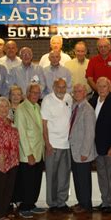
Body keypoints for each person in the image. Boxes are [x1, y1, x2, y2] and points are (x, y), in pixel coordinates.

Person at [89, 77, 111, 213]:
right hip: (97, 145)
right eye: (99, 86)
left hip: (110, 146)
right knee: (102, 175)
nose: (101, 89)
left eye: (104, 86)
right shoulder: (93, 101)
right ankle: (105, 201)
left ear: (109, 87)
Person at [14, 84, 46, 219]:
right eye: (33, 93)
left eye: (38, 93)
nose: (36, 95)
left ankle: (31, 204)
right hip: (28, 153)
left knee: (35, 181)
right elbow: (21, 133)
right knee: (27, 181)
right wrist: (29, 154)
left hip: (39, 151)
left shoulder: (37, 107)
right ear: (27, 93)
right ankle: (24, 207)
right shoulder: (21, 109)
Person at [41, 78, 72, 212]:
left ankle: (62, 202)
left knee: (64, 176)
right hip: (52, 145)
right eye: (58, 87)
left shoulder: (69, 98)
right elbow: (44, 124)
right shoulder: (47, 100)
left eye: (63, 87)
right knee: (52, 176)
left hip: (66, 145)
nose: (61, 90)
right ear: (53, 87)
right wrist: (47, 144)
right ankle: (52, 203)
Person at [0, 97, 20, 220]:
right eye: (1, 106)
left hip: (12, 160)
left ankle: (3, 211)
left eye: (6, 106)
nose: (4, 109)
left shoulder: (10, 121)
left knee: (8, 188)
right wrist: (1, 161)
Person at [69, 84, 97, 213]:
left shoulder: (88, 109)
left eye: (80, 91)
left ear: (85, 93)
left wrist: (85, 152)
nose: (77, 93)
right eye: (75, 91)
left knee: (84, 180)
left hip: (83, 152)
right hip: (75, 150)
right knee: (78, 179)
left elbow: (90, 133)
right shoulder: (75, 106)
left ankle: (86, 205)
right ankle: (81, 202)